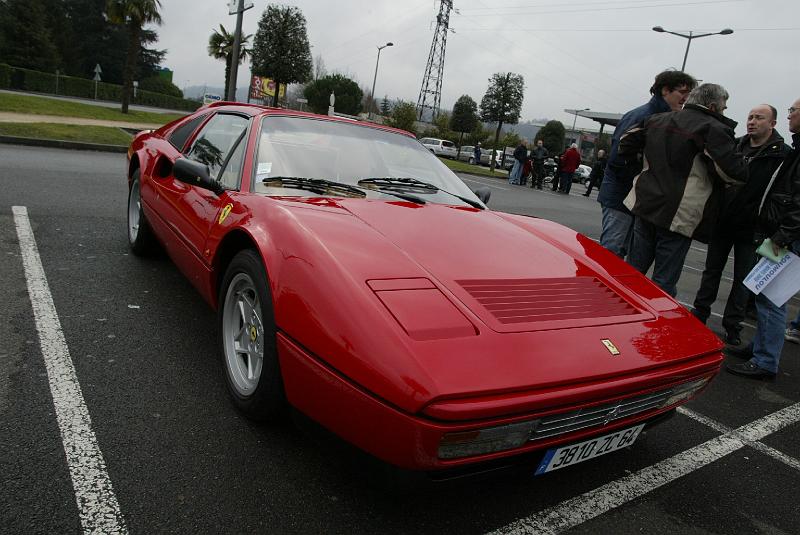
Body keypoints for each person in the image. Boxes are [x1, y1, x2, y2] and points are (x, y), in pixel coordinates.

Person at [620, 83, 748, 298]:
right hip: (678, 214)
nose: (725, 112)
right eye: (724, 108)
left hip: (645, 203)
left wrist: (643, 168)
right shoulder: (712, 128)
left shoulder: (658, 119)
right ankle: (656, 325)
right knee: (663, 283)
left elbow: (626, 142)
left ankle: (619, 316)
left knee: (632, 272)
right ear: (714, 106)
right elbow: (735, 173)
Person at [691, 104, 791, 346]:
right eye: (750, 117)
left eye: (759, 118)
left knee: (743, 280)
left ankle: (732, 326)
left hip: (753, 227)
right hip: (724, 221)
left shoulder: (783, 154)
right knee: (711, 272)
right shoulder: (736, 145)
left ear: (772, 124)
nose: (752, 121)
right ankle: (699, 315)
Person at [726, 99, 800, 379]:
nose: (790, 114)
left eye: (794, 110)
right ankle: (759, 347)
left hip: (787, 237)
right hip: (782, 233)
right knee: (764, 292)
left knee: (771, 298)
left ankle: (766, 360)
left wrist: (782, 235)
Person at [597, 70, 698, 258]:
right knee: (611, 252)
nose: (686, 98)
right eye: (682, 92)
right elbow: (618, 159)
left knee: (623, 254)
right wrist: (639, 184)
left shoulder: (664, 118)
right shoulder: (642, 116)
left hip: (636, 199)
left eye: (689, 94)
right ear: (665, 90)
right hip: (621, 196)